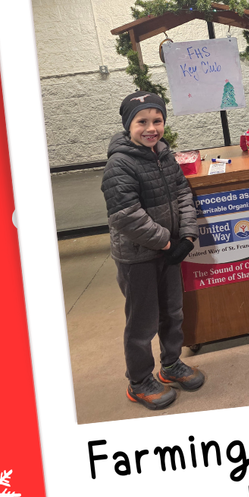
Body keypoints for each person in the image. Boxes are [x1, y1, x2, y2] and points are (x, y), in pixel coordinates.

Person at [101, 91, 205, 410]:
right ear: (128, 125)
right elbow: (125, 215)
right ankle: (140, 380)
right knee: (143, 321)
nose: (151, 128)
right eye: (142, 122)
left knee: (172, 312)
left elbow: (183, 194)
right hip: (139, 258)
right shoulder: (120, 164)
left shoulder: (163, 154)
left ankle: (171, 364)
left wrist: (186, 236)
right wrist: (166, 241)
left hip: (169, 250)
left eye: (157, 120)